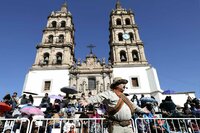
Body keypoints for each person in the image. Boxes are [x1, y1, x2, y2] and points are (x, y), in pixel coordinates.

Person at [79, 77, 150, 133]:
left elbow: (133, 106)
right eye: (122, 83)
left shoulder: (124, 97)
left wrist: (142, 110)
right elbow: (99, 96)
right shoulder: (109, 93)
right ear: (117, 85)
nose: (124, 85)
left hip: (128, 126)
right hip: (117, 126)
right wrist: (88, 101)